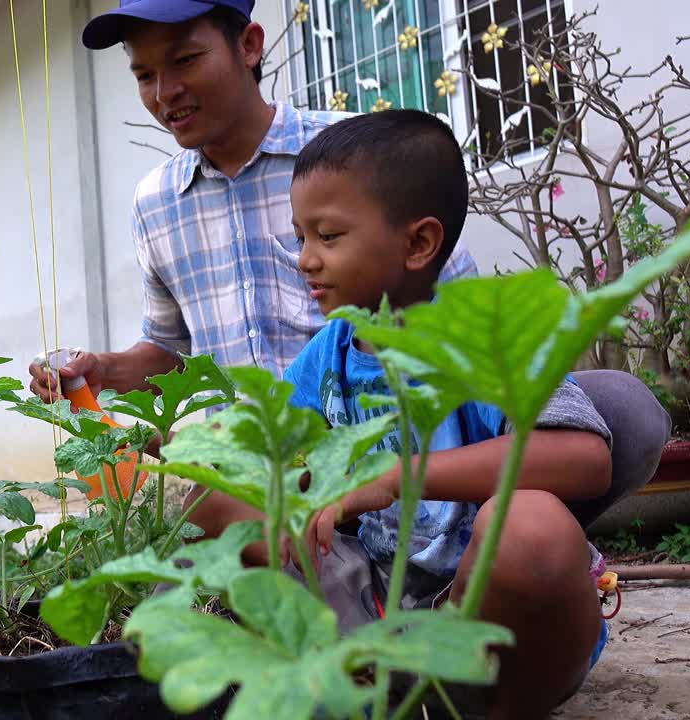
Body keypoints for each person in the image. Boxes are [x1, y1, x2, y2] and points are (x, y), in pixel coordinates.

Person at [28, 0, 668, 543]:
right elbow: (171, 352)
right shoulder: (155, 205)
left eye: (185, 60)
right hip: (275, 461)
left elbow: (450, 305)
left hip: (399, 439)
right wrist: (103, 371)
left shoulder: (349, 159)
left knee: (616, 414)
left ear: (249, 45)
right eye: (144, 74)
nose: (164, 93)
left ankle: (490, 561)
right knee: (187, 493)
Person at [282, 109, 609, 718]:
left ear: (418, 243)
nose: (306, 258)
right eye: (300, 236)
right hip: (379, 614)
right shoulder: (323, 358)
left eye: (327, 236)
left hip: (497, 631)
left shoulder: (491, 345)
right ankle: (369, 683)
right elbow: (282, 458)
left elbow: (584, 457)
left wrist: (391, 478)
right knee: (233, 498)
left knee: (529, 525)